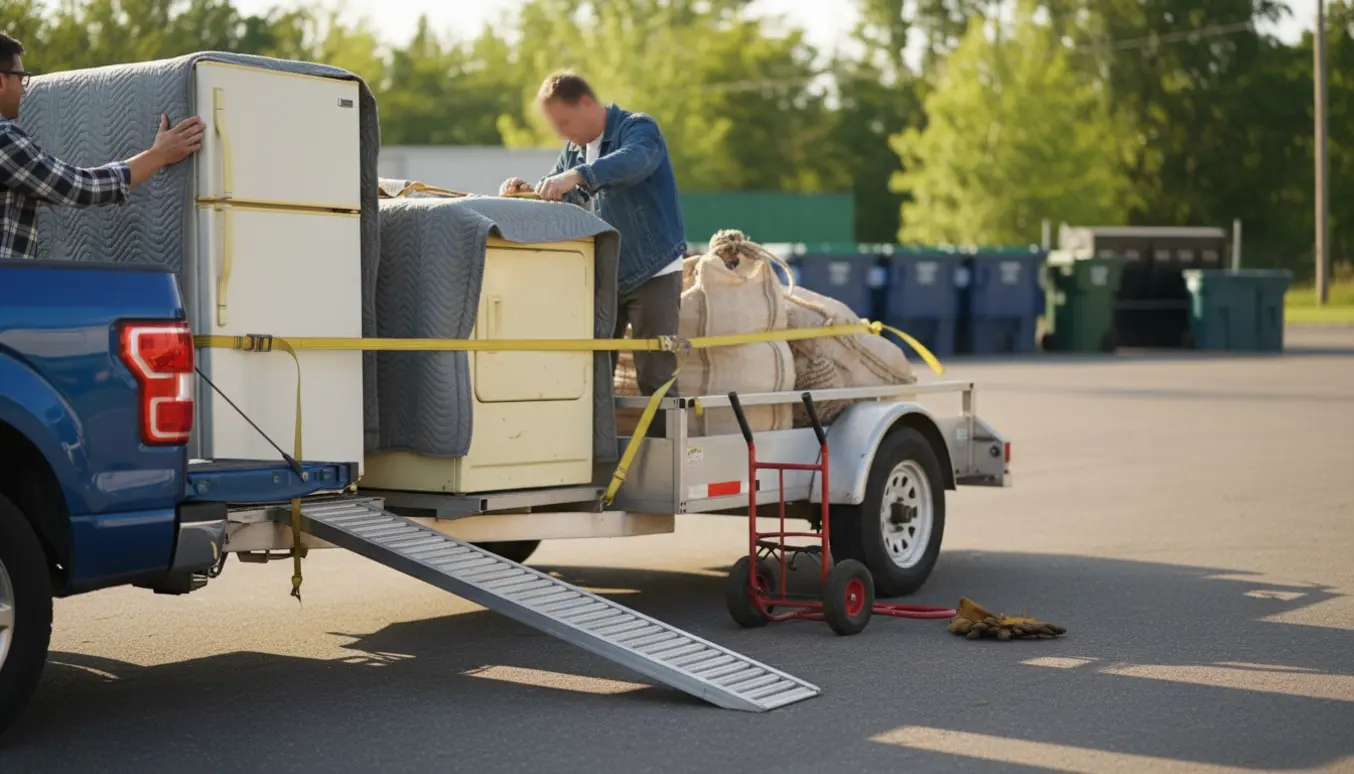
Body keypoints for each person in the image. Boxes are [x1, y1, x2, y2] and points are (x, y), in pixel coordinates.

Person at [501, 71, 686, 397]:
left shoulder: (639, 128)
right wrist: (527, 192)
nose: (561, 133)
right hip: (606, 274)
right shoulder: (573, 150)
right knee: (593, 371)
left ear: (587, 103)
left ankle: (664, 449)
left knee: (655, 376)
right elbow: (561, 196)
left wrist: (578, 175)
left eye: (564, 123)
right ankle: (599, 450)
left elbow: (634, 161)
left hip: (655, 271)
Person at [0, 32, 205, 260]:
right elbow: (78, 187)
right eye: (21, 78)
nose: (24, 89)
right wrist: (158, 156)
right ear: (1, 81)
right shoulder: (3, 138)